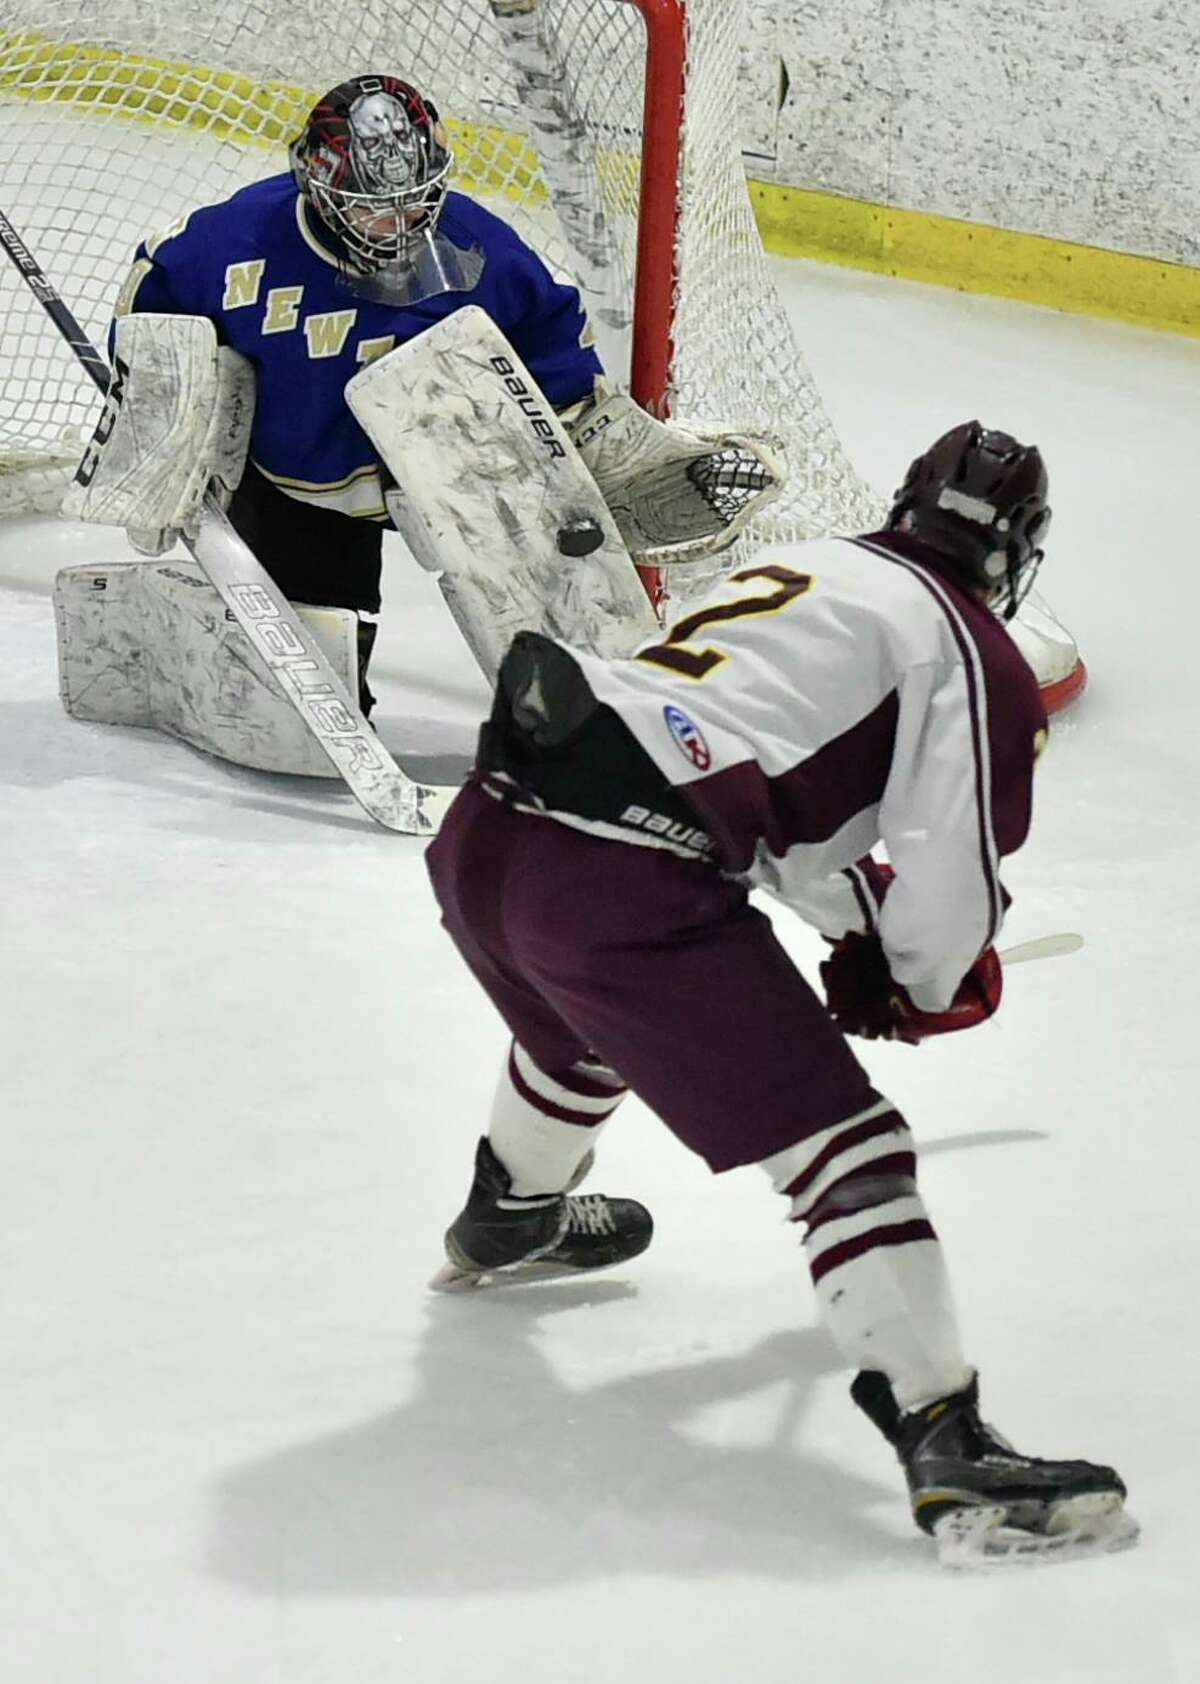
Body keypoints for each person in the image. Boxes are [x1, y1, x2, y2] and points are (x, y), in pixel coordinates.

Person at [423, 420, 1136, 1564]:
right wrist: (921, 979)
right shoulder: (971, 648)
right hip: (618, 884)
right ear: (1019, 550)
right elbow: (952, 869)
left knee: (577, 1033)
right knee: (850, 1155)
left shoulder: (804, 565)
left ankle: (509, 1210)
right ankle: (947, 1443)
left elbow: (754, 787)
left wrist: (858, 934)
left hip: (489, 832)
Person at [109, 73, 606, 712]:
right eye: (374, 207)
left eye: (417, 200)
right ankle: (331, 684)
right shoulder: (238, 242)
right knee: (311, 695)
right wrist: (158, 420)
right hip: (298, 483)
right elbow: (155, 288)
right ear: (321, 189)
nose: (400, 223)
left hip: (450, 474)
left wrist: (569, 444)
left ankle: (570, 717)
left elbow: (552, 335)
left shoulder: (478, 248)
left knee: (539, 623)